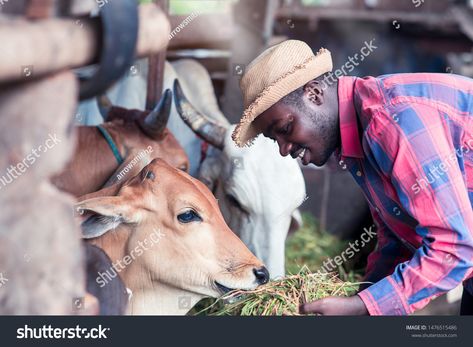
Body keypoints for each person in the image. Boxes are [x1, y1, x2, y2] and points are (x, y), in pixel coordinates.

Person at [231, 40, 473, 315]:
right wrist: (363, 297)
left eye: (285, 128)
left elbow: (456, 249)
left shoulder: (392, 121)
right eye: (274, 139)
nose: (284, 149)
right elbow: (399, 239)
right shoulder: (359, 135)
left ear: (313, 93)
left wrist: (361, 307)